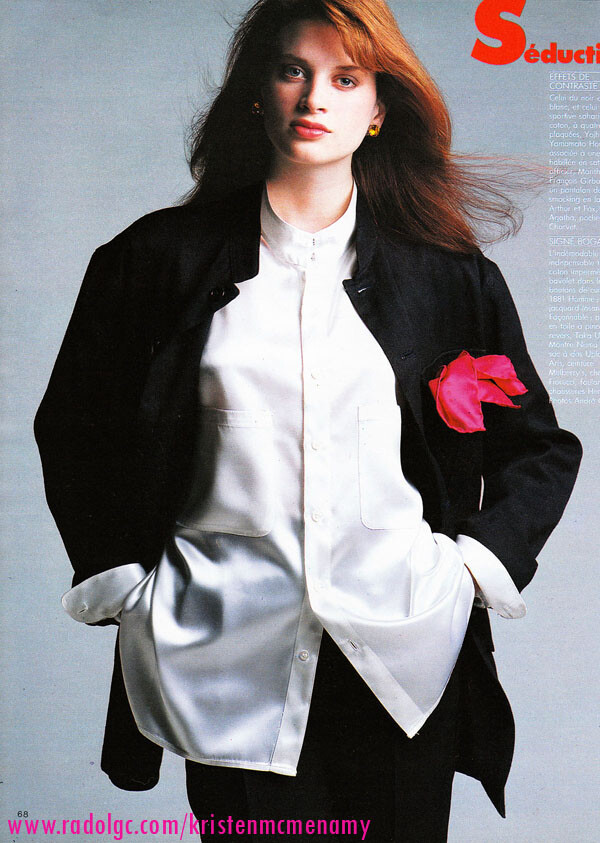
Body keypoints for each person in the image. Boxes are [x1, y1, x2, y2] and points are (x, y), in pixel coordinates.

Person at [34, 0, 582, 840]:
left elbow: (537, 449)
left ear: (379, 108)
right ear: (259, 92)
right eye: (293, 70)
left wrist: (467, 570)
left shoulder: (448, 279)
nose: (315, 97)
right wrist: (130, 587)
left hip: (401, 660)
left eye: (346, 78)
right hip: (224, 662)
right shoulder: (153, 263)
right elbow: (76, 427)